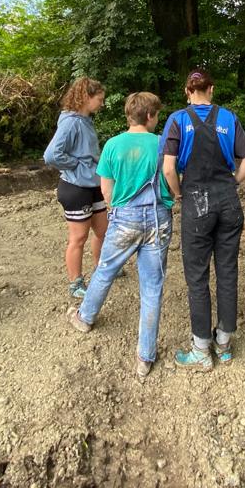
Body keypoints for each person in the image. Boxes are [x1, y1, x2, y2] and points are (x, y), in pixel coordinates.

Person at [66, 92, 174, 378]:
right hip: (158, 218)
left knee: (105, 270)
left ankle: (85, 318)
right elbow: (173, 176)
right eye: (157, 114)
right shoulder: (163, 143)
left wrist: (115, 210)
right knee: (152, 286)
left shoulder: (113, 145)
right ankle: (145, 356)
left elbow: (106, 190)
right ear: (150, 116)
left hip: (124, 217)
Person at [161, 69, 245, 372]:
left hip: (196, 200)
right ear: (211, 89)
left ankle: (201, 349)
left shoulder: (177, 119)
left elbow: (168, 168)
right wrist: (235, 183)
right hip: (228, 200)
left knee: (197, 276)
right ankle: (224, 343)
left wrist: (178, 194)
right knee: (227, 270)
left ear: (186, 91)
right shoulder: (229, 117)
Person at [43, 77, 110, 299]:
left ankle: (102, 268)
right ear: (85, 97)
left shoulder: (85, 120)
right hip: (75, 188)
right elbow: (51, 155)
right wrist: (76, 165)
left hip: (93, 184)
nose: (102, 103)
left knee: (102, 231)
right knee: (78, 238)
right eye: (99, 99)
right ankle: (76, 283)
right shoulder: (71, 121)